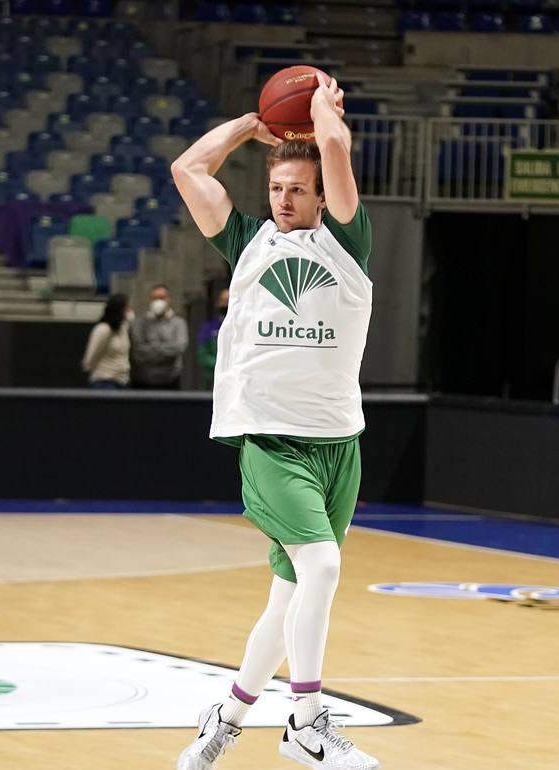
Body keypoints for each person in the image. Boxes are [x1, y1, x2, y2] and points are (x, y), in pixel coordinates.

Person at [172, 75, 378, 770]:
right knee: (321, 567)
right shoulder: (246, 243)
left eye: (297, 189)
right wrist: (250, 125)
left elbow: (338, 147)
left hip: (337, 445)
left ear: (322, 197)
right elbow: (187, 169)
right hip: (269, 441)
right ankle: (307, 720)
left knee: (286, 597)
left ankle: (227, 717)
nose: (284, 199)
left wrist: (324, 116)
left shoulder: (348, 245)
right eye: (277, 189)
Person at [130, 283, 189, 389]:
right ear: (150, 300)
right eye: (155, 298)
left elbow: (179, 347)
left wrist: (153, 348)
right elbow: (138, 350)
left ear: (168, 299)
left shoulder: (178, 323)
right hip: (143, 380)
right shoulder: (139, 323)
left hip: (171, 379)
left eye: (162, 298)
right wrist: (164, 350)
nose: (158, 301)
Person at [82, 293, 132, 389]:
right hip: (104, 381)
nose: (129, 310)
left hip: (122, 381)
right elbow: (89, 359)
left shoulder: (123, 327)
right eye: (127, 308)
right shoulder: (103, 329)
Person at [196, 288, 229, 389]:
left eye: (229, 301)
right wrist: (223, 364)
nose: (226, 305)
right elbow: (203, 356)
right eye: (223, 301)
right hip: (212, 380)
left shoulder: (246, 326)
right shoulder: (208, 327)